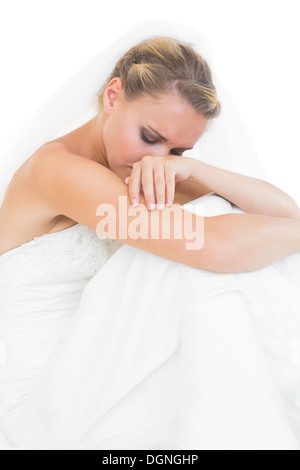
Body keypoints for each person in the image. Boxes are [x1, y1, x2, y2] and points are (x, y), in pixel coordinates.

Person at [1, 21, 300, 450]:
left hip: (112, 367)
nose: (158, 160)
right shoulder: (56, 172)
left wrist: (194, 170)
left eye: (177, 151)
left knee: (213, 218)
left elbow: (284, 211)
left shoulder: (146, 169)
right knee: (198, 241)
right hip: (43, 404)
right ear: (112, 96)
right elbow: (216, 248)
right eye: (150, 137)